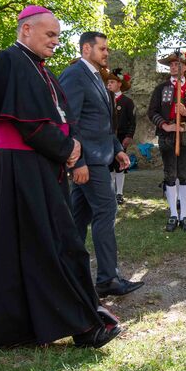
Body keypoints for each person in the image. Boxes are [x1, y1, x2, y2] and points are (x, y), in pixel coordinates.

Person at [0, 7, 123, 351]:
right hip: (19, 168)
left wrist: (71, 148)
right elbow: (28, 124)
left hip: (39, 167)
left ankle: (42, 322)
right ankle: (84, 325)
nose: (56, 41)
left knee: (35, 247)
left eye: (57, 35)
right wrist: (66, 148)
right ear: (26, 30)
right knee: (54, 245)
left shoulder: (39, 68)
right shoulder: (10, 61)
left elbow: (58, 117)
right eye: (50, 34)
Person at [59, 32, 141, 297]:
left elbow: (101, 122)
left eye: (107, 49)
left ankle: (65, 273)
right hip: (88, 162)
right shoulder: (74, 76)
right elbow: (68, 122)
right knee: (106, 210)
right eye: (102, 48)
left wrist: (117, 149)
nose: (107, 53)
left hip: (100, 158)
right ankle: (107, 279)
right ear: (86, 49)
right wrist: (77, 162)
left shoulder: (96, 77)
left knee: (77, 218)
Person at [147, 50, 186, 232]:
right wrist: (164, 125)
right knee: (170, 175)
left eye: (178, 64)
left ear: (185, 67)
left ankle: (185, 216)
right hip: (167, 135)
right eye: (171, 64)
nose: (174, 67)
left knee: (185, 175)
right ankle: (173, 214)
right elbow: (152, 112)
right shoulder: (161, 89)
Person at [105, 66, 136, 205]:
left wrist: (128, 136)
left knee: (120, 166)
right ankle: (110, 192)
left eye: (112, 82)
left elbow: (133, 121)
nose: (109, 84)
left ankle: (119, 193)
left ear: (119, 84)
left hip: (121, 137)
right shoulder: (104, 99)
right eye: (108, 82)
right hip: (106, 137)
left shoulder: (127, 102)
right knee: (108, 164)